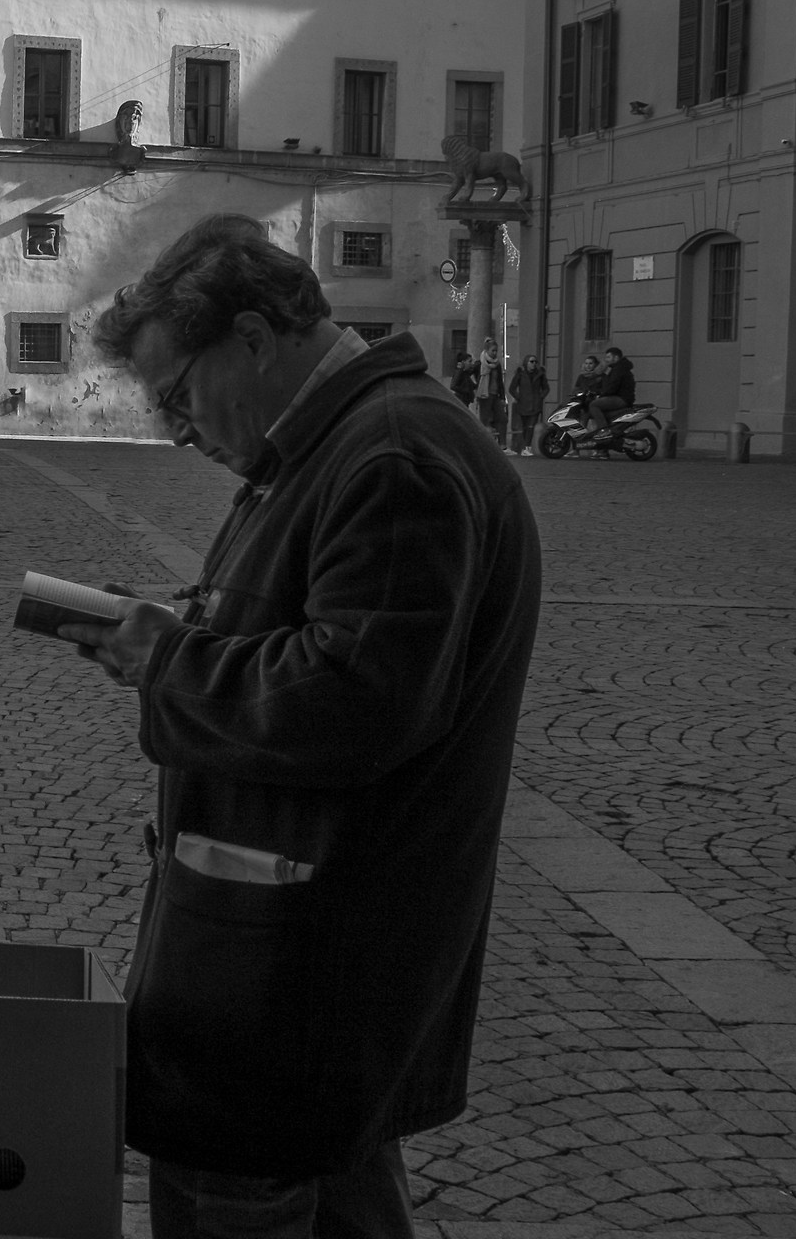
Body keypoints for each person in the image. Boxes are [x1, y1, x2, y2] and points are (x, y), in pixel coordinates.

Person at [59, 215, 541, 1239]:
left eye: (178, 395)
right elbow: (316, 638)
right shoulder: (330, 448)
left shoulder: (394, 458)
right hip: (276, 984)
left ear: (252, 338)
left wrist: (168, 657)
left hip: (298, 990)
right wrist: (191, 624)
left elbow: (355, 699)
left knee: (264, 1202)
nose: (173, 427)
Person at [509, 353, 550, 455]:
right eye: (531, 362)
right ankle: (524, 447)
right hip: (523, 404)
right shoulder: (520, 374)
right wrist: (519, 397)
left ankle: (528, 447)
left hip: (535, 404)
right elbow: (512, 388)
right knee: (524, 427)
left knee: (531, 426)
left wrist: (540, 397)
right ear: (526, 363)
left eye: (535, 362)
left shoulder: (540, 374)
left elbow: (546, 388)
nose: (534, 364)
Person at [591, 344, 635, 434]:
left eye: (608, 357)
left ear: (616, 358)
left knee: (594, 405)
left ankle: (604, 431)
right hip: (618, 396)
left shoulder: (619, 369)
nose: (606, 360)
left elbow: (612, 387)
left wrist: (602, 394)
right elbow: (605, 384)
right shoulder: (614, 368)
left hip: (622, 398)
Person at [475, 337, 506, 437]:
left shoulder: (497, 365)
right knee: (485, 420)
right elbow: (472, 375)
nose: (494, 353)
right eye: (492, 350)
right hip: (484, 395)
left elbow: (500, 381)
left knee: (502, 418)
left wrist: (502, 396)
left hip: (495, 394)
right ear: (487, 351)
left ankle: (502, 444)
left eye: (496, 351)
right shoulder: (480, 364)